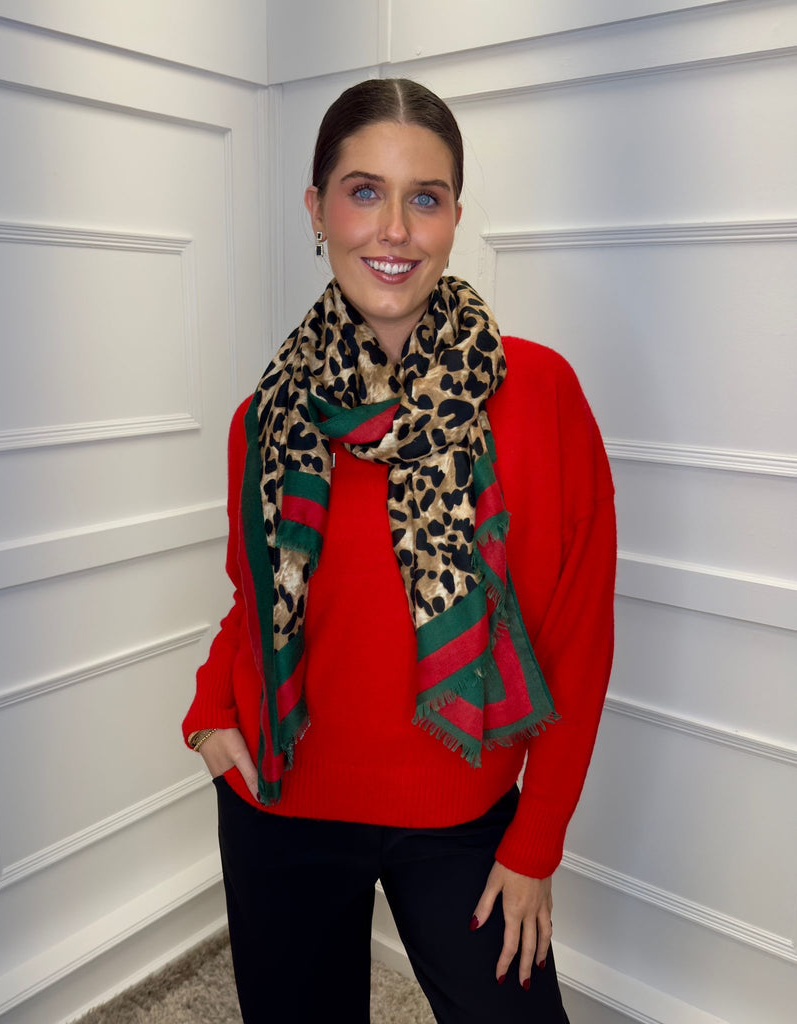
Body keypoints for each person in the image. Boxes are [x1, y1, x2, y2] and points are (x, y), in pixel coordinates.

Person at [183, 77, 616, 1024]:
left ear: (455, 216)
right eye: (362, 191)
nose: (392, 229)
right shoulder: (265, 419)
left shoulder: (538, 392)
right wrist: (212, 713)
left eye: (424, 197)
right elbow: (253, 602)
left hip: (462, 815)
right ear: (316, 209)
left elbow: (578, 634)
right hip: (280, 803)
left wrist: (534, 842)